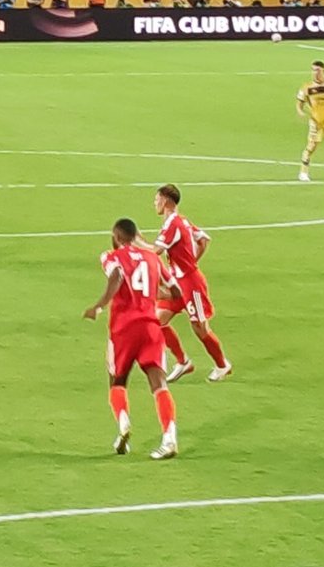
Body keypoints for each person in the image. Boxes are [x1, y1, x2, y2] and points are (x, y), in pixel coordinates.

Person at [82, 218, 180, 459]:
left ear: (116, 237)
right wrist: (149, 294)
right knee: (159, 384)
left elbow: (116, 276)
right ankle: (169, 438)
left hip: (124, 329)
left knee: (117, 380)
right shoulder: (153, 259)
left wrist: (99, 305)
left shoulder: (111, 257)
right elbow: (175, 292)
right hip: (150, 327)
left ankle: (123, 424)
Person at [150, 185, 233, 383]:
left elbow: (156, 251)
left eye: (156, 199)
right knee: (156, 320)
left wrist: (134, 253)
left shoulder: (173, 224)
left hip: (191, 283)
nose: (154, 203)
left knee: (199, 327)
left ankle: (222, 365)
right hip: (178, 282)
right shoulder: (182, 221)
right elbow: (203, 240)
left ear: (166, 200)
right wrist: (191, 260)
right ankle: (183, 362)